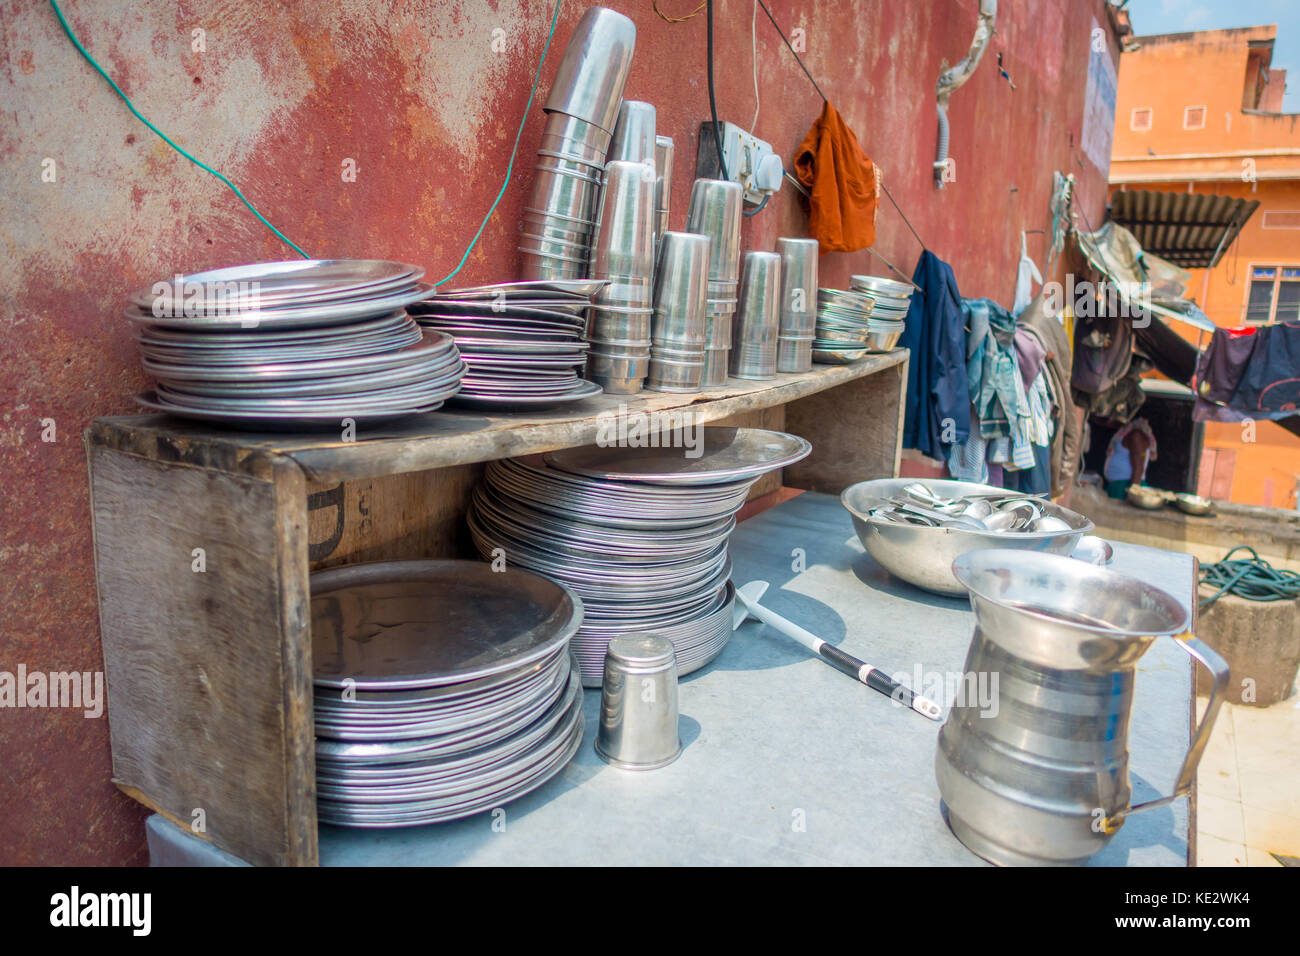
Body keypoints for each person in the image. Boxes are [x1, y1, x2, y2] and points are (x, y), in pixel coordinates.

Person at [1103, 417, 1157, 499]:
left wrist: (1132, 495)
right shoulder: (1126, 434)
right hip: (1120, 486)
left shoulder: (1136, 435)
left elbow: (1138, 469)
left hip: (1126, 488)